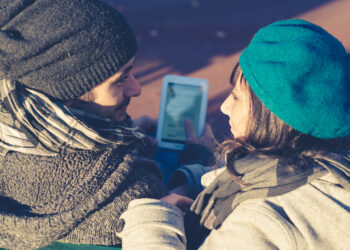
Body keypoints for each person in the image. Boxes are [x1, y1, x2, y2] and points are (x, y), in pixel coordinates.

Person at [117, 19, 350, 249]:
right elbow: (251, 177)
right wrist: (191, 179)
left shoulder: (260, 224)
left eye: (237, 96)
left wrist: (152, 216)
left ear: (274, 118)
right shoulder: (330, 160)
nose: (224, 106)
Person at [0, 0, 166, 249]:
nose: (136, 88)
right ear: (69, 93)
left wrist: (131, 133)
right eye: (121, 80)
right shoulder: (132, 196)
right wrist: (192, 166)